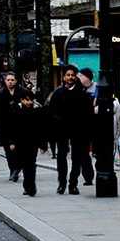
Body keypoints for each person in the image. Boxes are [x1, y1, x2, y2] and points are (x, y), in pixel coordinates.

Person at [48, 65, 94, 195]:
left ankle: (73, 183)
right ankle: (62, 183)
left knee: (77, 158)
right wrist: (58, 120)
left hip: (78, 129)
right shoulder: (58, 93)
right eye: (68, 75)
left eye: (72, 75)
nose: (70, 77)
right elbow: (51, 111)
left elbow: (87, 112)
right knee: (61, 156)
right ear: (64, 77)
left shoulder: (82, 93)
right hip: (62, 129)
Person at [0, 71, 30, 182]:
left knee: (20, 150)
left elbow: (29, 105)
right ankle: (13, 170)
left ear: (16, 81)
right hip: (5, 126)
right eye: (8, 80)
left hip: (20, 126)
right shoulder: (0, 94)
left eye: (12, 80)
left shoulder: (23, 92)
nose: (10, 82)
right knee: (8, 151)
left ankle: (17, 169)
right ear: (5, 81)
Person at [9, 90, 48, 196]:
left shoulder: (37, 111)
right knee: (25, 164)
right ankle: (27, 185)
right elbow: (13, 127)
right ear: (22, 100)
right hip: (21, 142)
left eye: (31, 100)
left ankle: (31, 186)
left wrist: (43, 145)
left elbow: (41, 129)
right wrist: (12, 142)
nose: (29, 102)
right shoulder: (16, 110)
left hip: (33, 142)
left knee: (31, 164)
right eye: (27, 100)